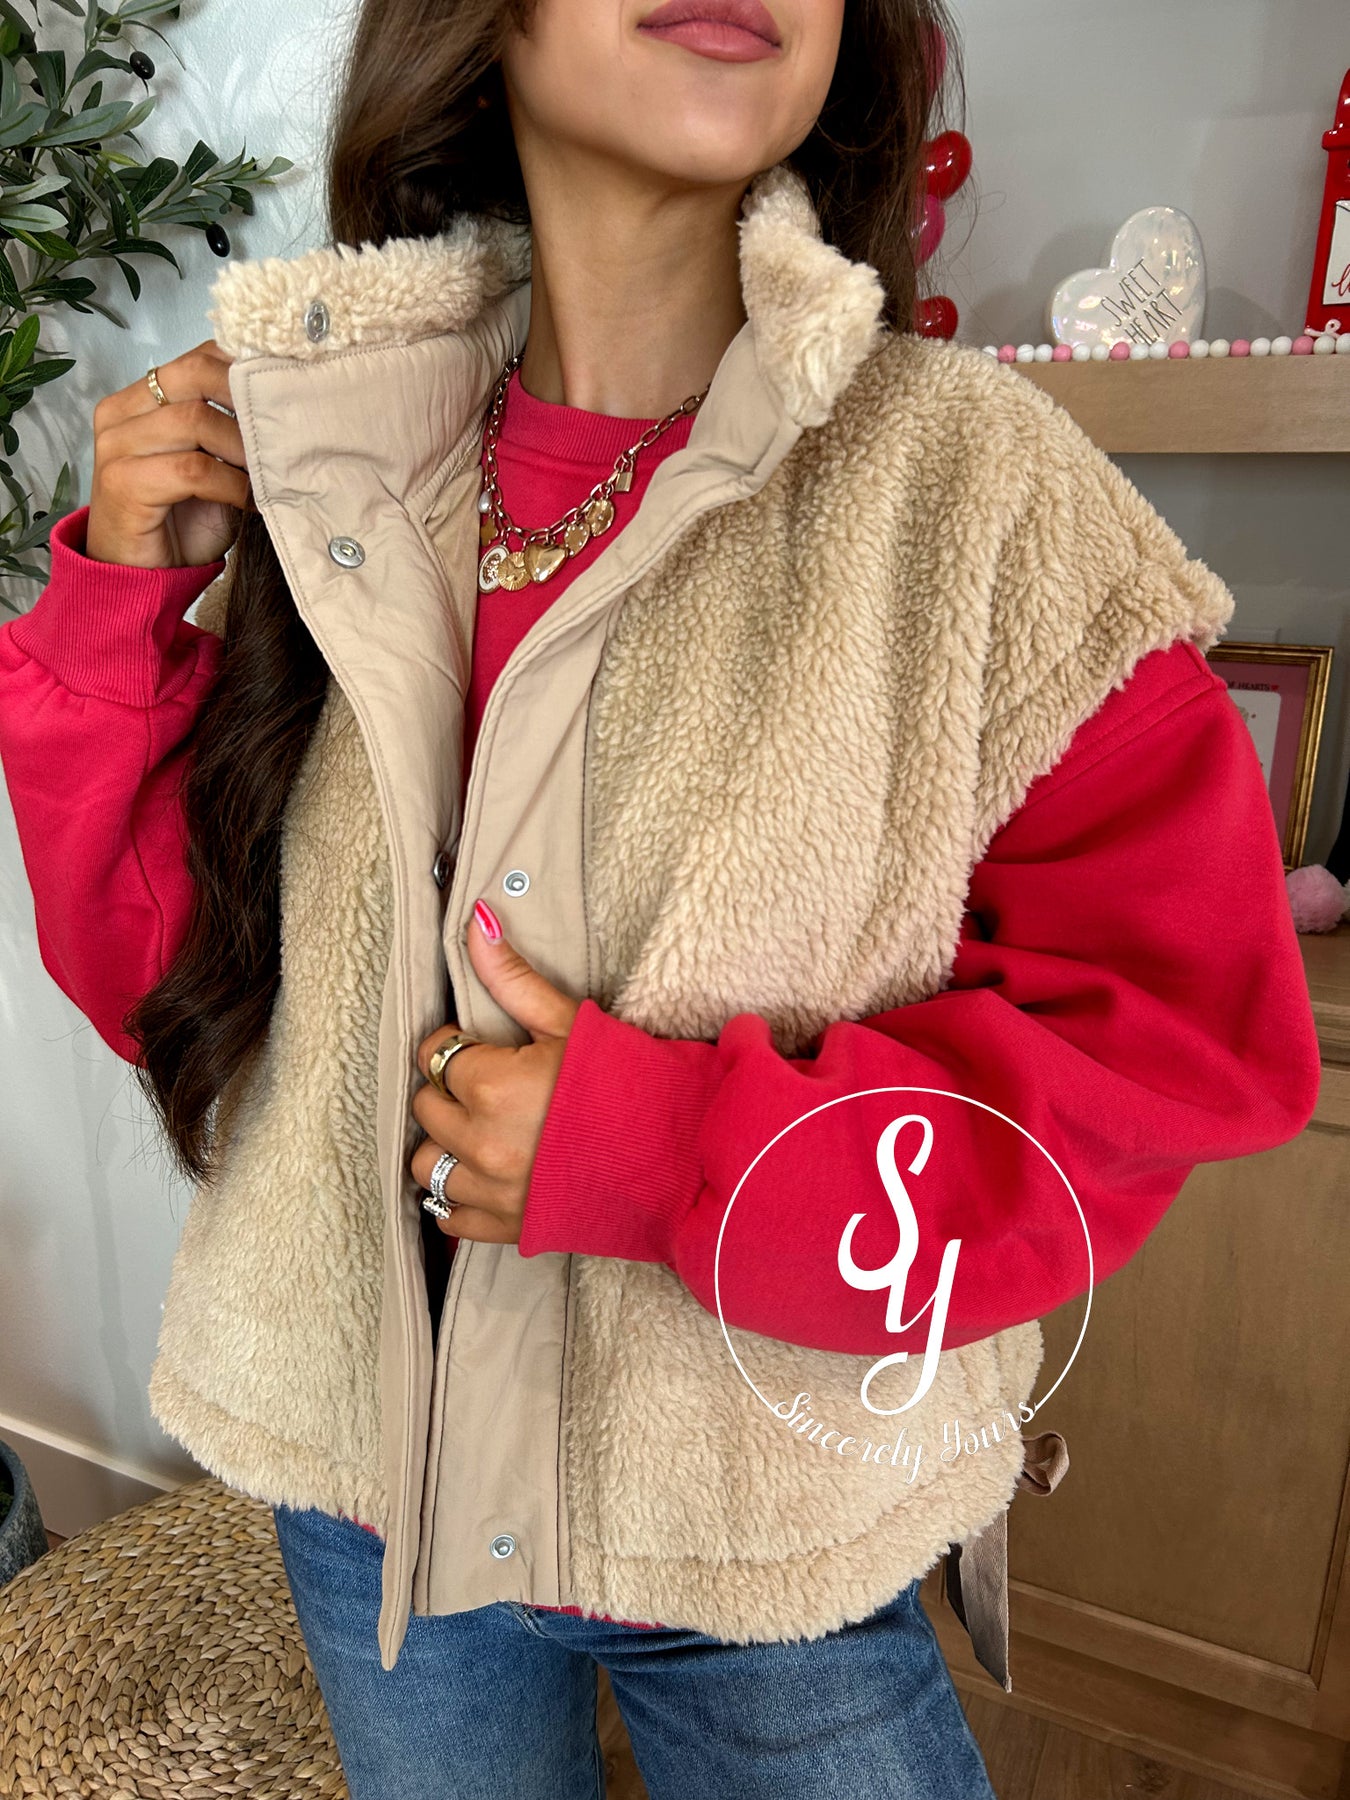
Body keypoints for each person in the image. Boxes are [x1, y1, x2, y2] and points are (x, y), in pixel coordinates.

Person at [0, 0, 1322, 1792]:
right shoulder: (330, 458)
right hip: (368, 1486)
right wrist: (115, 613)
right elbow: (174, 990)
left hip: (761, 1528)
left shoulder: (985, 501)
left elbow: (1170, 1053)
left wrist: (670, 1148)